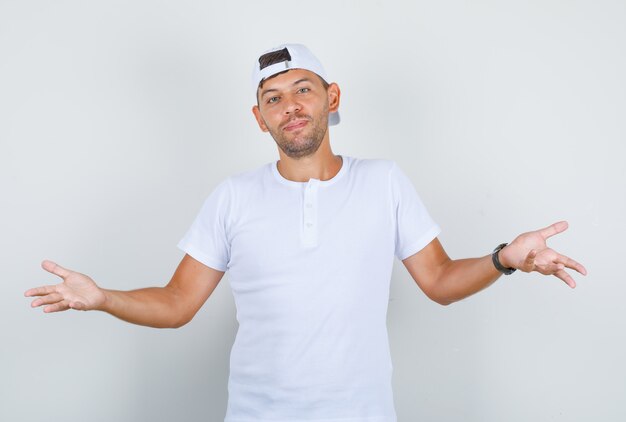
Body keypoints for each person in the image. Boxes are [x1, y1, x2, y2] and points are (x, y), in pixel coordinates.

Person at [25, 44, 587, 422]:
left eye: (302, 90)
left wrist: (504, 258)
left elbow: (438, 280)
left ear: (331, 97)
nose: (289, 106)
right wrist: (100, 299)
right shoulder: (234, 196)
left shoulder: (383, 181)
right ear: (259, 118)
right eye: (273, 98)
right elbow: (176, 304)